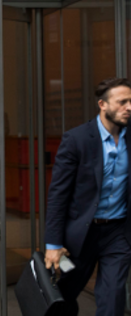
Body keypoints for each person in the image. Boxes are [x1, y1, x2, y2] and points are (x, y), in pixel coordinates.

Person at [45, 77, 131, 316]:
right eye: (122, 102)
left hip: (117, 233)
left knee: (113, 295)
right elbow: (58, 195)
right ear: (102, 104)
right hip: (80, 235)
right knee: (65, 293)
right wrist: (53, 244)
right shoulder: (77, 139)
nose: (129, 107)